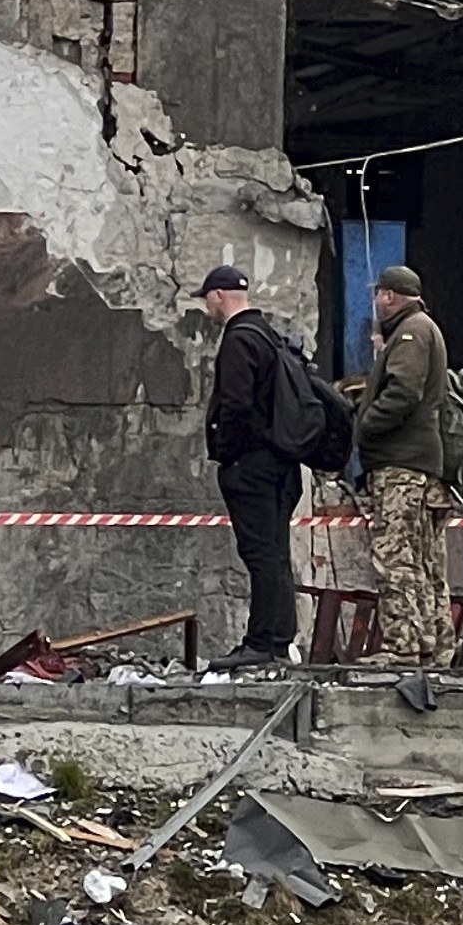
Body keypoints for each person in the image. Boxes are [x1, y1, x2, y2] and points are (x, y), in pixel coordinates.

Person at [199, 266, 312, 667]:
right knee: (275, 553)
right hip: (281, 464)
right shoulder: (268, 335)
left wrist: (227, 453)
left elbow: (236, 405)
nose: (208, 308)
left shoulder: (239, 339)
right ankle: (277, 640)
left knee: (261, 554)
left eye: (207, 299)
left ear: (218, 296)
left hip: (252, 466)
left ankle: (264, 643)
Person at [350, 264, 455, 672]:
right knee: (426, 562)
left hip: (401, 465)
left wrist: (364, 424)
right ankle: (435, 646)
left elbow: (403, 392)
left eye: (379, 293)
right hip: (420, 465)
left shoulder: (411, 332)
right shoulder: (422, 329)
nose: (376, 300)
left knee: (395, 558)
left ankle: (403, 647)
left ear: (389, 296)